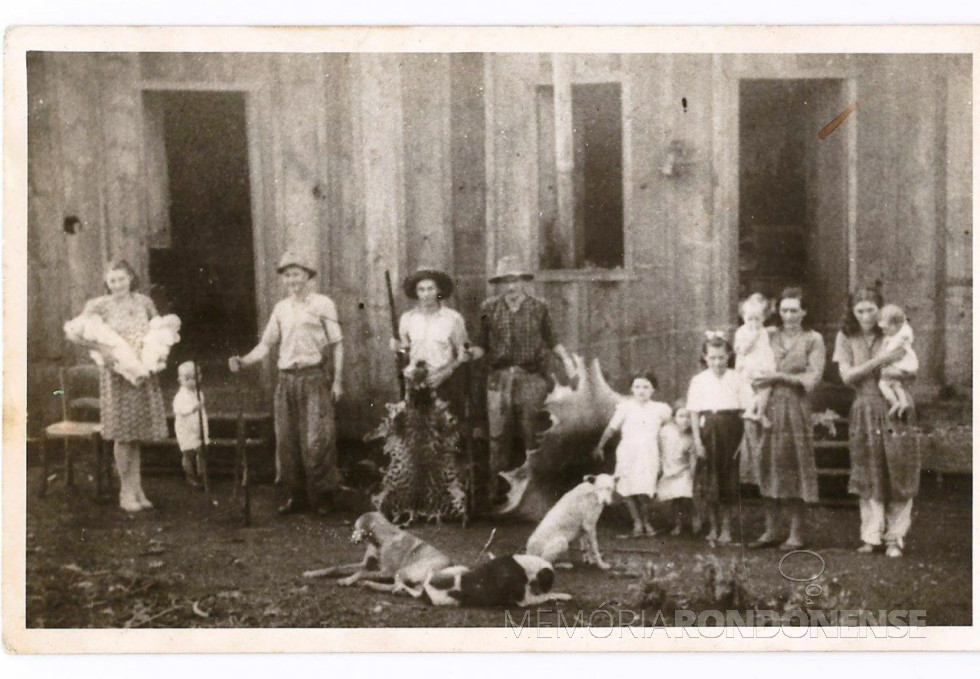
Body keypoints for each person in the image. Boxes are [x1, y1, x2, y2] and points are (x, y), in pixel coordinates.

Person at [228, 251, 343, 516]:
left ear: (307, 276)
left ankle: (324, 495)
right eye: (288, 275)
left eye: (297, 274)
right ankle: (297, 496)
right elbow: (267, 344)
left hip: (314, 378)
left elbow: (337, 344)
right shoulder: (281, 308)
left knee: (317, 441)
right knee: (287, 442)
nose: (292, 279)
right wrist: (244, 361)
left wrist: (337, 381)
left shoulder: (323, 304)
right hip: (286, 381)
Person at [473, 255, 578, 506]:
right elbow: (480, 345)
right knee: (498, 437)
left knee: (532, 434)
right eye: (506, 282)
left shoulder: (538, 307)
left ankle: (535, 496)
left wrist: (568, 362)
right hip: (499, 379)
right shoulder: (489, 308)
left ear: (523, 282)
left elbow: (553, 340)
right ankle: (495, 496)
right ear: (500, 284)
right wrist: (466, 353)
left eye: (516, 281)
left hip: (531, 378)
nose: (511, 287)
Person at [834, 285, 918, 558]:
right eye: (860, 310)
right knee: (868, 470)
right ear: (852, 311)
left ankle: (895, 537)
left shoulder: (893, 331)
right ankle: (871, 535)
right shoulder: (846, 336)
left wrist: (894, 371)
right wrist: (881, 360)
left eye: (871, 309)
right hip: (865, 407)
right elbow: (847, 377)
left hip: (895, 406)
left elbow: (911, 371)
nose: (866, 315)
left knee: (898, 469)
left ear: (879, 309)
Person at [79, 260, 169, 512]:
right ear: (107, 283)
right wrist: (103, 351)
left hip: (141, 371)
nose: (117, 284)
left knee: (136, 434)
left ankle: (138, 489)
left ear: (131, 277)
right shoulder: (99, 306)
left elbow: (160, 332)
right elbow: (78, 334)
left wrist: (158, 353)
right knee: (122, 433)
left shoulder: (144, 303)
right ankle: (125, 492)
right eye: (112, 280)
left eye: (121, 278)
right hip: (117, 374)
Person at [748, 287, 826, 550]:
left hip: (795, 406)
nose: (789, 315)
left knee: (794, 465)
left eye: (794, 310)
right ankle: (771, 529)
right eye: (784, 310)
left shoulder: (813, 339)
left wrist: (779, 377)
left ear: (804, 312)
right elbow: (749, 358)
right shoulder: (769, 335)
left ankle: (796, 532)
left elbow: (812, 379)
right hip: (766, 405)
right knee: (766, 463)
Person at [389, 267, 481, 418]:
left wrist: (446, 372)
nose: (426, 294)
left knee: (446, 434)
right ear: (416, 292)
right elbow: (405, 352)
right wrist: (397, 347)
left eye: (430, 289)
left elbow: (463, 354)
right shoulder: (408, 318)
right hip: (416, 386)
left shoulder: (453, 318)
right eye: (421, 290)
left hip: (444, 384)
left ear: (438, 290)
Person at [686, 332, 749, 545]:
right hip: (708, 431)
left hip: (731, 430)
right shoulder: (699, 380)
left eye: (721, 357)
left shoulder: (738, 377)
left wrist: (742, 441)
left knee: (729, 481)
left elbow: (745, 411)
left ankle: (727, 529)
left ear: (728, 355)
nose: (717, 362)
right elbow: (694, 413)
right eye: (712, 358)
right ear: (705, 357)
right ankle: (713, 527)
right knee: (709, 481)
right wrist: (697, 442)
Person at [593, 372, 672, 538]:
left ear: (653, 390)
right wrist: (600, 446)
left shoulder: (660, 409)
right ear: (631, 389)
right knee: (628, 488)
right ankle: (637, 522)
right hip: (628, 452)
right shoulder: (625, 406)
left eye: (646, 387)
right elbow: (612, 428)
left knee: (644, 489)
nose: (641, 390)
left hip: (648, 453)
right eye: (637, 386)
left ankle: (647, 522)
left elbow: (668, 430)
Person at [657, 400, 700, 536]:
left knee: (687, 496)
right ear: (674, 417)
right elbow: (659, 449)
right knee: (676, 499)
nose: (685, 420)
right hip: (669, 469)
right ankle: (678, 524)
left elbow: (693, 458)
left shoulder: (692, 436)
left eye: (688, 417)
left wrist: (693, 473)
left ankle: (695, 519)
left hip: (685, 469)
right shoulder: (665, 432)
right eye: (681, 416)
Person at [734, 292, 776, 428]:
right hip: (750, 365)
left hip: (764, 364)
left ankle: (759, 413)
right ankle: (750, 411)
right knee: (752, 389)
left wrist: (767, 330)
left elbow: (765, 335)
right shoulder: (742, 331)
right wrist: (753, 337)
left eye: (757, 319)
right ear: (743, 317)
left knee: (765, 389)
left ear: (763, 318)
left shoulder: (762, 330)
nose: (753, 323)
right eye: (749, 319)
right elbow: (741, 350)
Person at [876, 304, 919, 418]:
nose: (884, 331)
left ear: (896, 325)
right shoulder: (902, 332)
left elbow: (889, 353)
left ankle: (894, 402)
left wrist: (884, 349)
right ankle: (902, 403)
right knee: (896, 385)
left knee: (883, 383)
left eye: (886, 328)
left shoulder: (899, 337)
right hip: (899, 365)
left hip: (900, 364)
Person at [173, 361, 209, 488]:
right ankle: (190, 476)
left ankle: (201, 474)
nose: (192, 381)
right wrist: (193, 408)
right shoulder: (180, 396)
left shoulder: (198, 393)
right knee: (188, 453)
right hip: (186, 428)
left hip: (198, 426)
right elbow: (179, 410)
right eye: (187, 378)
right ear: (180, 380)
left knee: (200, 450)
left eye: (195, 377)